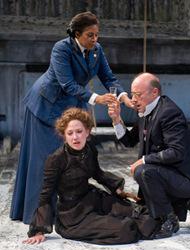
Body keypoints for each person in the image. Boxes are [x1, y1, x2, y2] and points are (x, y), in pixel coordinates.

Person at [10, 11, 133, 224]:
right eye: (90, 35)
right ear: (77, 34)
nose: (95, 39)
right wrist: (98, 99)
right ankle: (37, 215)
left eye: (97, 35)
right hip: (47, 106)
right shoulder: (61, 48)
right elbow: (67, 84)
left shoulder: (97, 50)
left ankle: (68, 211)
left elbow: (108, 77)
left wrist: (123, 96)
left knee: (74, 158)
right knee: (47, 160)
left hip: (74, 104)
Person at [22, 108, 160, 245]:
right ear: (64, 135)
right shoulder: (56, 159)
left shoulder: (90, 149)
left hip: (93, 199)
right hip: (74, 215)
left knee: (144, 214)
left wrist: (118, 190)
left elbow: (97, 173)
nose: (75, 137)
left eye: (79, 131)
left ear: (87, 132)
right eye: (70, 133)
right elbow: (45, 195)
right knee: (125, 229)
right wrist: (38, 230)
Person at [108, 72, 190, 239]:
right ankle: (189, 201)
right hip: (168, 173)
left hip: (186, 179)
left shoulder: (169, 113)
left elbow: (177, 151)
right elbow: (128, 141)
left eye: (138, 95)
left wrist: (144, 160)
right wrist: (116, 119)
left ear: (154, 92)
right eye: (132, 94)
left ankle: (169, 219)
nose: (133, 99)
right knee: (143, 203)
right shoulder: (146, 110)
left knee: (143, 171)